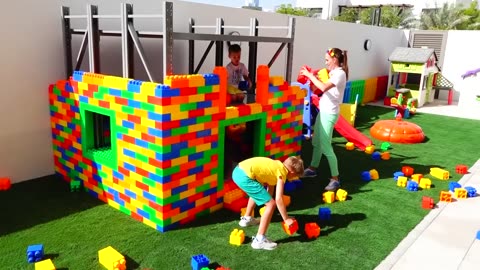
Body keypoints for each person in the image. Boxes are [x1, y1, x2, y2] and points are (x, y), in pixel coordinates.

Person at [299, 48, 349, 191]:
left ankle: (335, 178)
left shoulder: (340, 74)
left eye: (327, 60)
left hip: (330, 113)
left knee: (326, 146)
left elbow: (324, 87)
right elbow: (319, 90)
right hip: (324, 111)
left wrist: (310, 75)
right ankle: (312, 168)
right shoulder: (332, 73)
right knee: (316, 142)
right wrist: (310, 80)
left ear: (334, 59)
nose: (325, 62)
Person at [232, 156, 304, 250]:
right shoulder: (282, 173)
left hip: (238, 171)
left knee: (260, 190)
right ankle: (259, 240)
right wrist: (286, 219)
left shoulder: (277, 165)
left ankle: (246, 219)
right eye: (294, 177)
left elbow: (270, 190)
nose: (291, 179)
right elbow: (278, 199)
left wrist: (267, 204)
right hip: (244, 177)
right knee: (271, 204)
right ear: (292, 172)